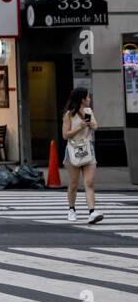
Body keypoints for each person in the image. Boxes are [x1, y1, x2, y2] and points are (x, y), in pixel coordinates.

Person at [62, 87, 103, 224]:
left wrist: (89, 123)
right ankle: (71, 209)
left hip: (88, 149)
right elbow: (65, 135)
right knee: (73, 184)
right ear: (82, 99)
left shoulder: (88, 111)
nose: (90, 99)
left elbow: (95, 126)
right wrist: (79, 127)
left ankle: (92, 211)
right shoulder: (69, 115)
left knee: (89, 182)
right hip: (73, 150)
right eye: (88, 97)